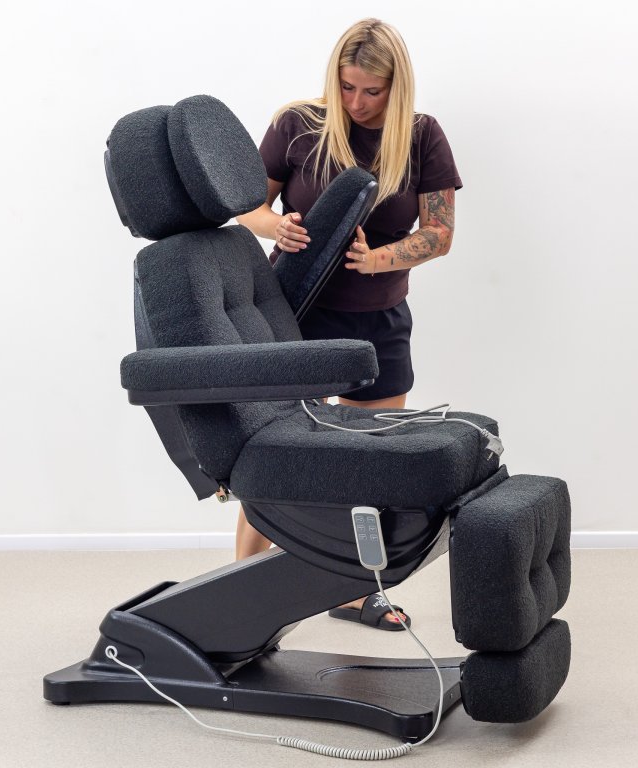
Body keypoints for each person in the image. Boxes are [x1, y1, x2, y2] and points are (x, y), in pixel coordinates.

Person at [235, 18, 461, 630]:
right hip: (295, 315)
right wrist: (274, 225)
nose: (357, 102)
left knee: (367, 464)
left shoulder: (422, 136)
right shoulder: (297, 125)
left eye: (372, 91)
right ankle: (242, 589)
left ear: (396, 87)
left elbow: (439, 232)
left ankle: (355, 591)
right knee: (275, 457)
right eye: (347, 87)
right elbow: (248, 204)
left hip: (378, 321)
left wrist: (378, 258)